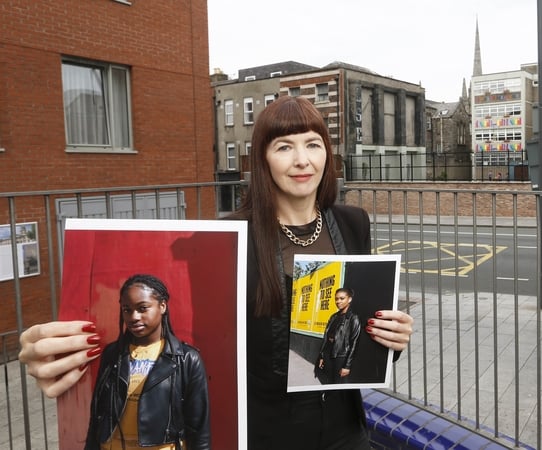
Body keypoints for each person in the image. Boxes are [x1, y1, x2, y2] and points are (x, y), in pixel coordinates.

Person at [18, 95, 414, 450]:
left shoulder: (351, 223)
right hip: (264, 435)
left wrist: (391, 338)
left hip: (346, 430)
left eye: (313, 144)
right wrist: (73, 361)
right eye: (284, 147)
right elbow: (180, 335)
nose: (302, 160)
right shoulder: (228, 238)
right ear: (261, 159)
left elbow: (365, 324)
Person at [85, 274, 210, 450]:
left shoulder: (186, 359)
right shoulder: (113, 354)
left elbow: (199, 428)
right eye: (127, 309)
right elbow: (97, 413)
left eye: (142, 308)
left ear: (162, 306)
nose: (134, 317)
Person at [317, 287, 360, 384]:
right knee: (327, 381)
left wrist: (347, 366)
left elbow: (354, 343)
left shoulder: (353, 318)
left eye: (342, 298)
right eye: (336, 299)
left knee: (338, 384)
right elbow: (326, 339)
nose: (338, 301)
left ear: (349, 299)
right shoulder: (333, 316)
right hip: (328, 354)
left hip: (341, 357)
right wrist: (322, 356)